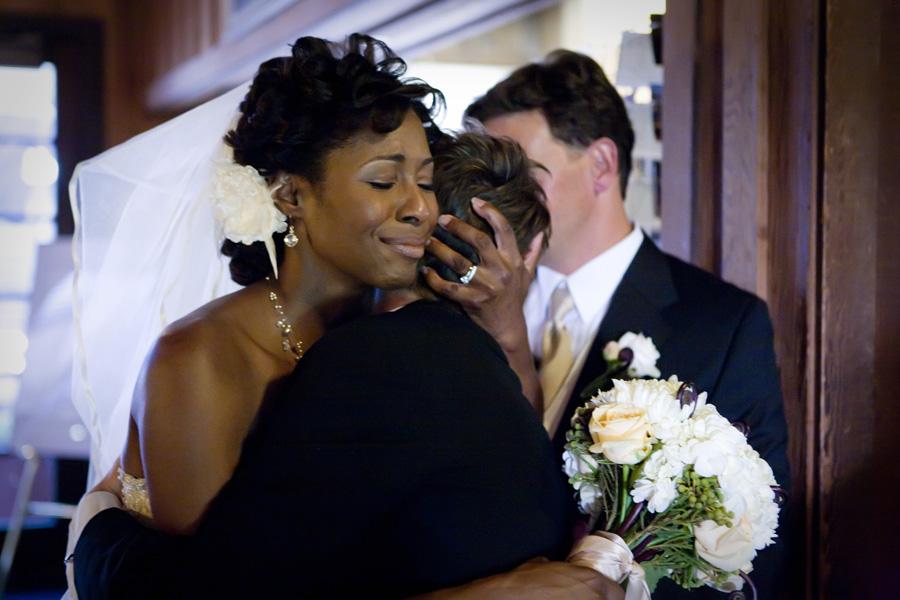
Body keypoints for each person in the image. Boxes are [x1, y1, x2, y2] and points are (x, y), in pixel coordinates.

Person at [68, 35, 621, 599]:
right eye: (384, 181)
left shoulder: (399, 340)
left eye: (425, 182)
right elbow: (221, 591)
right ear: (290, 196)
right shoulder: (201, 360)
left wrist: (506, 326)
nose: (420, 207)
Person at [425, 49, 790, 599]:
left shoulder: (722, 324)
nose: (492, 203)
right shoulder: (454, 303)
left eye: (521, 175)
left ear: (600, 165)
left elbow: (753, 545)